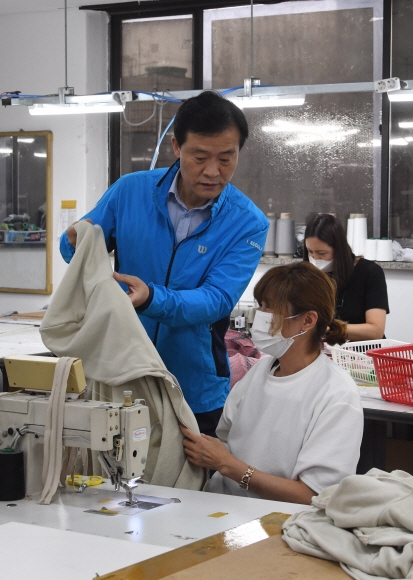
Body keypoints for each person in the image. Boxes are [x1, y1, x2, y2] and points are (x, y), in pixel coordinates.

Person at [60, 90, 269, 437]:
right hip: (121, 372)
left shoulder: (247, 221)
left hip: (194, 387)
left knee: (191, 471)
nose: (213, 171)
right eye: (199, 157)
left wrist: (152, 299)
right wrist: (71, 244)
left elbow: (217, 299)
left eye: (226, 158)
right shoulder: (129, 192)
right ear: (176, 146)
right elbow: (82, 251)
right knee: (115, 465)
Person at [180, 262, 364, 504]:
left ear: (307, 320)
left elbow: (313, 495)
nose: (261, 317)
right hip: (225, 505)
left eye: (271, 309)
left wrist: (230, 466)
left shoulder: (336, 393)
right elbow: (225, 444)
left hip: (279, 518)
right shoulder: (260, 371)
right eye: (261, 306)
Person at [303, 213, 389, 341]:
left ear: (339, 250)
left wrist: (328, 329)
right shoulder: (307, 275)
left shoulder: (369, 273)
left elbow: (375, 331)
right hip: (322, 348)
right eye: (310, 252)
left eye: (322, 253)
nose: (315, 259)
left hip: (361, 349)